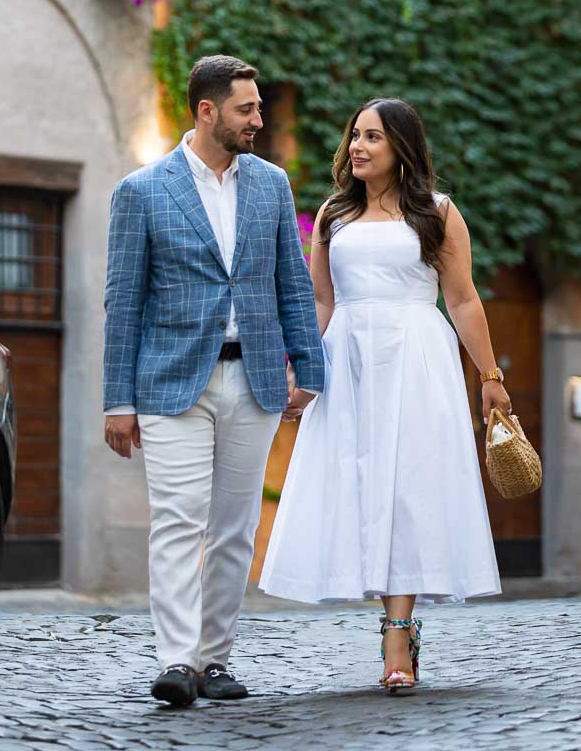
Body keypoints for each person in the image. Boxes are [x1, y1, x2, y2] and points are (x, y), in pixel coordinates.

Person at [259, 97, 508, 693]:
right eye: (354, 137)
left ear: (401, 146)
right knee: (357, 481)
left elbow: (464, 298)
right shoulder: (332, 215)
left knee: (407, 487)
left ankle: (398, 634)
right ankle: (386, 616)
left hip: (418, 355)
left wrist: (491, 377)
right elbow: (320, 301)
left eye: (372, 137)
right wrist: (303, 370)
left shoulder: (439, 213)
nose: (357, 147)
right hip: (348, 357)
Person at [103, 55, 324, 707]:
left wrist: (307, 369)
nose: (259, 119)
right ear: (207, 111)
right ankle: (176, 661)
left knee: (233, 528)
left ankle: (214, 660)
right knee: (177, 520)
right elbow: (124, 302)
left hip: (254, 377)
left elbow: (292, 282)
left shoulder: (271, 186)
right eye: (246, 109)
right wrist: (118, 400)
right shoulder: (141, 192)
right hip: (172, 384)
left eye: (257, 108)